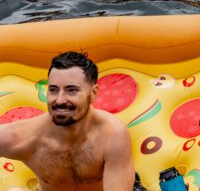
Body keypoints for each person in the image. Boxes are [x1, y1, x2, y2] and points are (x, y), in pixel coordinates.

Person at [0, 51, 134, 190]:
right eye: (53, 90)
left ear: (93, 93)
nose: (59, 100)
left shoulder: (112, 135)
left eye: (71, 90)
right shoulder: (25, 138)